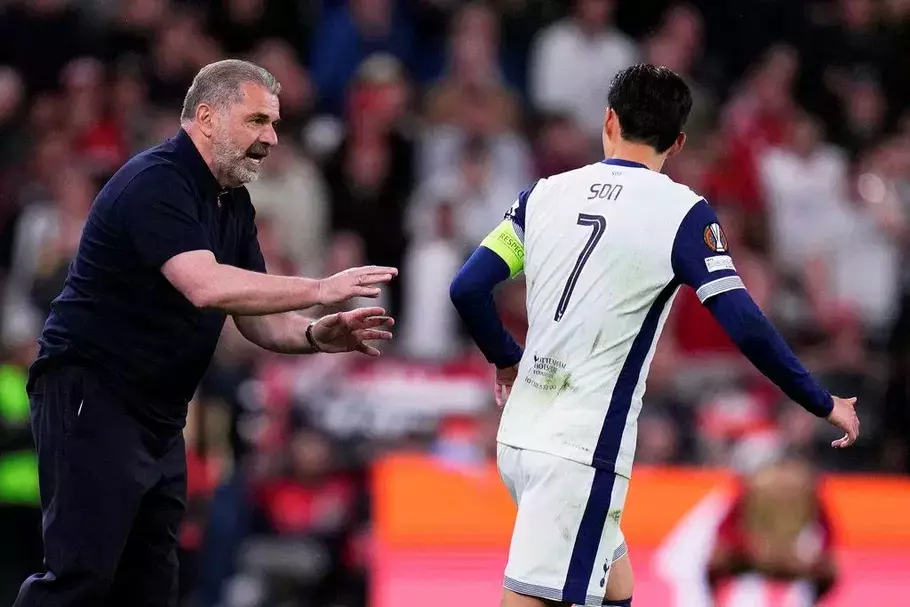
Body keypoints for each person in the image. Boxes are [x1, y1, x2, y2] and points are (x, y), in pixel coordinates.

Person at [448, 64, 859, 607]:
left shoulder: (543, 195)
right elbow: (745, 323)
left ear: (609, 120)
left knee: (616, 586)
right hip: (582, 451)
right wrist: (821, 401)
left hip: (520, 435)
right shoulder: (684, 214)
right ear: (679, 142)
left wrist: (505, 358)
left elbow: (467, 288)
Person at [15, 59, 397, 607]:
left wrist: (316, 334)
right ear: (207, 117)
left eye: (274, 123)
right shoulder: (156, 182)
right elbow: (205, 285)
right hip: (93, 395)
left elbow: (258, 318)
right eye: (257, 120)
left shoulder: (231, 202)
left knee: (150, 586)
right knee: (81, 578)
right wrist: (320, 287)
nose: (271, 138)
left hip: (158, 413)